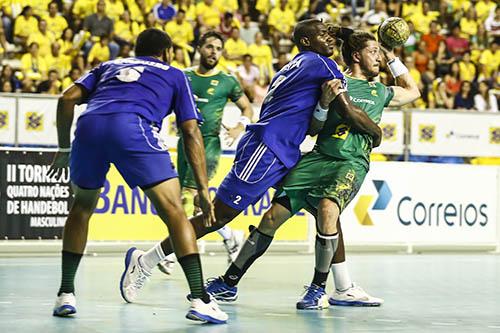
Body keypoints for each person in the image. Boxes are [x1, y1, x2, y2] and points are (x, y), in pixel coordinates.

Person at [121, 19, 383, 306]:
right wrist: (376, 132)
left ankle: (342, 286)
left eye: (331, 34)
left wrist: (321, 103)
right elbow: (347, 110)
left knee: (326, 210)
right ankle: (145, 261)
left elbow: (308, 125)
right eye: (323, 34)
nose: (331, 38)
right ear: (307, 41)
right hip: (266, 150)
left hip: (284, 152)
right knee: (218, 217)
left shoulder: (295, 65)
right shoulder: (323, 64)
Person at [199, 28, 420, 309]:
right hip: (317, 156)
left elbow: (414, 91)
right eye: (373, 52)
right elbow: (315, 127)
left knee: (328, 210)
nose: (379, 58)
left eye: (380, 53)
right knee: (271, 218)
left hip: (351, 161)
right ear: (356, 56)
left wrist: (389, 55)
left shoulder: (382, 90)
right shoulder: (332, 80)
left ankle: (318, 289)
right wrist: (326, 104)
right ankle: (228, 282)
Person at [48, 28, 227, 324]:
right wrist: (204, 191)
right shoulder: (174, 73)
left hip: (90, 127)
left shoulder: (107, 67)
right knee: (175, 213)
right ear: (167, 52)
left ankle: (65, 294)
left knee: (81, 209)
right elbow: (192, 131)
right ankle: (200, 299)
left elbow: (67, 99)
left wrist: (64, 147)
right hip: (134, 129)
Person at [157, 31, 253, 275]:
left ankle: (171, 251)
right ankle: (231, 236)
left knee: (187, 195)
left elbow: (247, 107)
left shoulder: (227, 81)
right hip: (183, 142)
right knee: (200, 201)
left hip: (208, 144)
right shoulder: (183, 76)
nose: (214, 52)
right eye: (209, 47)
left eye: (218, 48)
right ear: (199, 48)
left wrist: (239, 125)